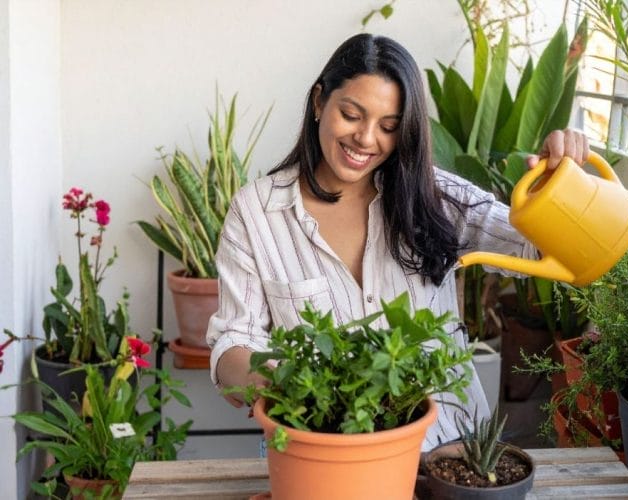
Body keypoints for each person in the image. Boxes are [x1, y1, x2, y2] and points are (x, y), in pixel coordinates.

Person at [207, 32, 589, 450]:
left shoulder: (437, 199)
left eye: (388, 126)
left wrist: (561, 187)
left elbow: (547, 248)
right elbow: (234, 341)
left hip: (451, 450)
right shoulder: (257, 213)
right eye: (351, 115)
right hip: (321, 452)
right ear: (319, 102)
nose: (367, 139)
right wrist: (289, 387)